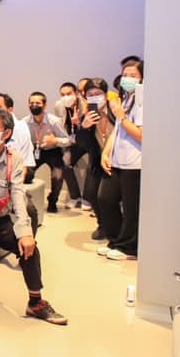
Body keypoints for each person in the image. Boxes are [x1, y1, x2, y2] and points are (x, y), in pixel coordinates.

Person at [0, 109, 67, 325]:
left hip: (0, 219)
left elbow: (17, 194)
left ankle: (35, 302)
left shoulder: (13, 158)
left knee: (29, 248)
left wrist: (25, 232)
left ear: (6, 133)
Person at [97, 60, 144, 261]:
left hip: (135, 162)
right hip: (117, 159)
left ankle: (130, 248)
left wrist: (122, 117)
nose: (127, 79)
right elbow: (117, 131)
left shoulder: (143, 100)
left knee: (132, 208)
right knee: (105, 199)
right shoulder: (125, 99)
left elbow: (141, 135)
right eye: (125, 75)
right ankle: (117, 241)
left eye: (133, 75)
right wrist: (105, 153)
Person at [23, 92, 76, 213]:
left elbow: (69, 140)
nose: (34, 105)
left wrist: (55, 141)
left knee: (58, 176)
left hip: (53, 150)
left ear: (45, 105)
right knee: (25, 175)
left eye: (37, 103)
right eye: (31, 103)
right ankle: (27, 201)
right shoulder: (25, 122)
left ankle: (52, 201)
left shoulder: (54, 121)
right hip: (36, 150)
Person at [75, 79, 115, 241]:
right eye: (90, 95)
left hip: (118, 159)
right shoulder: (87, 116)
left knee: (107, 197)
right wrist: (84, 127)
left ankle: (115, 228)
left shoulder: (115, 110)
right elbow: (82, 144)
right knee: (91, 193)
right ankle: (102, 225)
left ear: (106, 95)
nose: (94, 97)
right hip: (97, 160)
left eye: (98, 94)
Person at [55, 82, 87, 209]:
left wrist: (78, 123)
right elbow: (60, 125)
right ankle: (75, 197)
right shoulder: (59, 106)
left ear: (76, 94)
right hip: (73, 141)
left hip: (89, 140)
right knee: (64, 163)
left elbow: (91, 129)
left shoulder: (85, 105)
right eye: (62, 95)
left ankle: (88, 199)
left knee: (94, 166)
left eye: (69, 94)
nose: (65, 97)